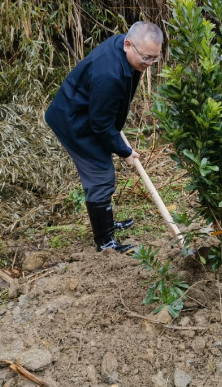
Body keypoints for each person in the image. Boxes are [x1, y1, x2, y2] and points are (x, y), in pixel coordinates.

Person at [45, 22, 163, 253]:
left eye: (155, 58)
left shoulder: (126, 48)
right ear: (128, 44)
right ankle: (105, 241)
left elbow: (104, 115)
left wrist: (115, 133)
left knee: (102, 171)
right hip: (74, 122)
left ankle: (106, 223)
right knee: (101, 176)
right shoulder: (109, 74)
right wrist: (125, 152)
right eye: (146, 58)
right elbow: (100, 124)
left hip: (88, 113)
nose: (149, 64)